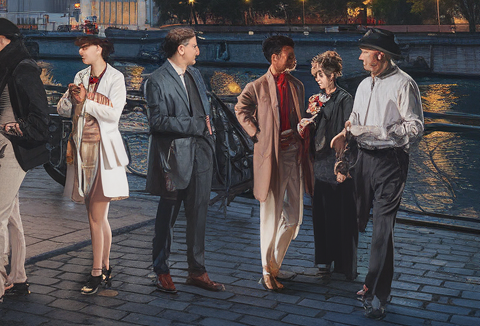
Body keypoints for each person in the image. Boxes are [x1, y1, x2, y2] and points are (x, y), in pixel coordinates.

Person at [333, 28, 423, 320]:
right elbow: (354, 123)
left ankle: (376, 293)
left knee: (382, 231)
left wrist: (374, 131)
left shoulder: (404, 84)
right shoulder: (362, 85)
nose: (359, 57)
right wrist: (345, 148)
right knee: (360, 222)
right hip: (363, 160)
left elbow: (415, 129)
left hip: (391, 163)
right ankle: (368, 279)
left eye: (364, 52)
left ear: (379, 55)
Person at [0, 18, 53, 312]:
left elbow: (40, 119)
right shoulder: (7, 66)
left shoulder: (23, 67)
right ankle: (17, 278)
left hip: (13, 151)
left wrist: (10, 129)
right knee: (11, 218)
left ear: (4, 39)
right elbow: (2, 112)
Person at [144, 26, 225, 295]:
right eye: (193, 46)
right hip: (174, 160)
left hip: (201, 155)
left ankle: (197, 271)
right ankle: (162, 270)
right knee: (166, 218)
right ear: (181, 49)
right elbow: (157, 122)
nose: (197, 51)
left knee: (199, 215)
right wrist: (196, 125)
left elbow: (205, 112)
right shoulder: (156, 80)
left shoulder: (196, 74)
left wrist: (207, 133)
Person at [235, 35, 310, 291]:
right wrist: (257, 134)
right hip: (271, 158)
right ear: (274, 57)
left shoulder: (297, 85)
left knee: (294, 217)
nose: (292, 59)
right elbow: (241, 110)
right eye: (288, 55)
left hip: (294, 154)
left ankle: (273, 266)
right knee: (270, 215)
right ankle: (267, 271)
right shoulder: (256, 86)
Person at [58, 35, 129, 296]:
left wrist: (86, 99)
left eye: (85, 48)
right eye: (80, 48)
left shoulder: (116, 78)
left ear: (99, 49)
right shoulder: (79, 75)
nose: (81, 52)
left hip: (103, 153)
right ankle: (107, 265)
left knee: (94, 218)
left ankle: (96, 272)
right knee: (99, 217)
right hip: (82, 152)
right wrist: (70, 98)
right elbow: (64, 110)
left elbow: (114, 114)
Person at [298, 50, 357, 281]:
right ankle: (324, 260)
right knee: (322, 214)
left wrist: (343, 166)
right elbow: (317, 129)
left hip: (336, 162)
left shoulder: (345, 99)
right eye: (316, 75)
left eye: (320, 74)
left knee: (342, 214)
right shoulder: (318, 99)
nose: (317, 78)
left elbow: (347, 134)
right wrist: (307, 124)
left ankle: (345, 265)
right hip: (320, 161)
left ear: (333, 74)